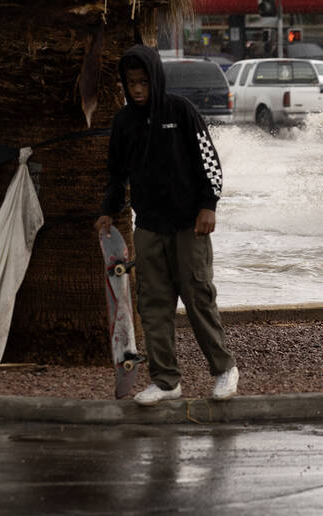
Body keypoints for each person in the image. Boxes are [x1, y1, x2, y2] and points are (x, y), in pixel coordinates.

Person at [95, 45, 238, 405]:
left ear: (155, 79)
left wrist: (209, 206)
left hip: (189, 225)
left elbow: (210, 162)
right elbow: (117, 174)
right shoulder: (124, 122)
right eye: (131, 83)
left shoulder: (180, 110)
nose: (138, 89)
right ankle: (165, 380)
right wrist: (108, 209)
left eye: (143, 81)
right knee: (152, 304)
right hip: (148, 227)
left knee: (198, 297)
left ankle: (224, 369)